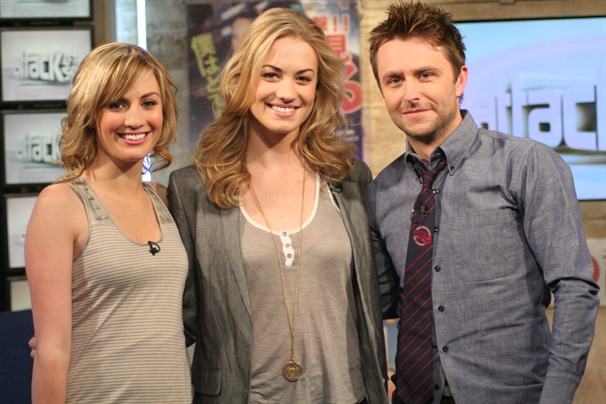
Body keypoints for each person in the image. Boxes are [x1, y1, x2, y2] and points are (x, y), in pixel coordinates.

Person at [364, 2, 600, 404]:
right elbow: (380, 301)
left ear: (460, 79)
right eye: (394, 80)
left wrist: (556, 396)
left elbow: (575, 289)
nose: (410, 93)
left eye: (425, 74)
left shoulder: (525, 164)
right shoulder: (381, 190)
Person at [168, 7, 388, 403]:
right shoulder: (193, 189)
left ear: (318, 89)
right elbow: (178, 315)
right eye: (270, 75)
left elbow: (376, 296)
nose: (287, 93)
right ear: (243, 78)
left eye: (303, 78)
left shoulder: (350, 178)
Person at [25, 43, 192, 403]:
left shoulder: (165, 200)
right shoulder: (61, 203)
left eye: (148, 103)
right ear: (90, 112)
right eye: (117, 104)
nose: (135, 119)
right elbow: (51, 352)